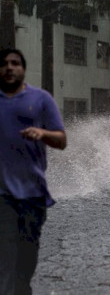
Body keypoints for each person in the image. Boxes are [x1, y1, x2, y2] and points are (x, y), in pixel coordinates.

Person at [0, 48, 67, 295]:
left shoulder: (41, 100)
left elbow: (62, 140)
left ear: (23, 69)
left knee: (25, 263)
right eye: (4, 63)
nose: (9, 67)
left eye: (15, 63)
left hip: (32, 196)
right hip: (2, 197)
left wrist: (43, 133)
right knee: (5, 260)